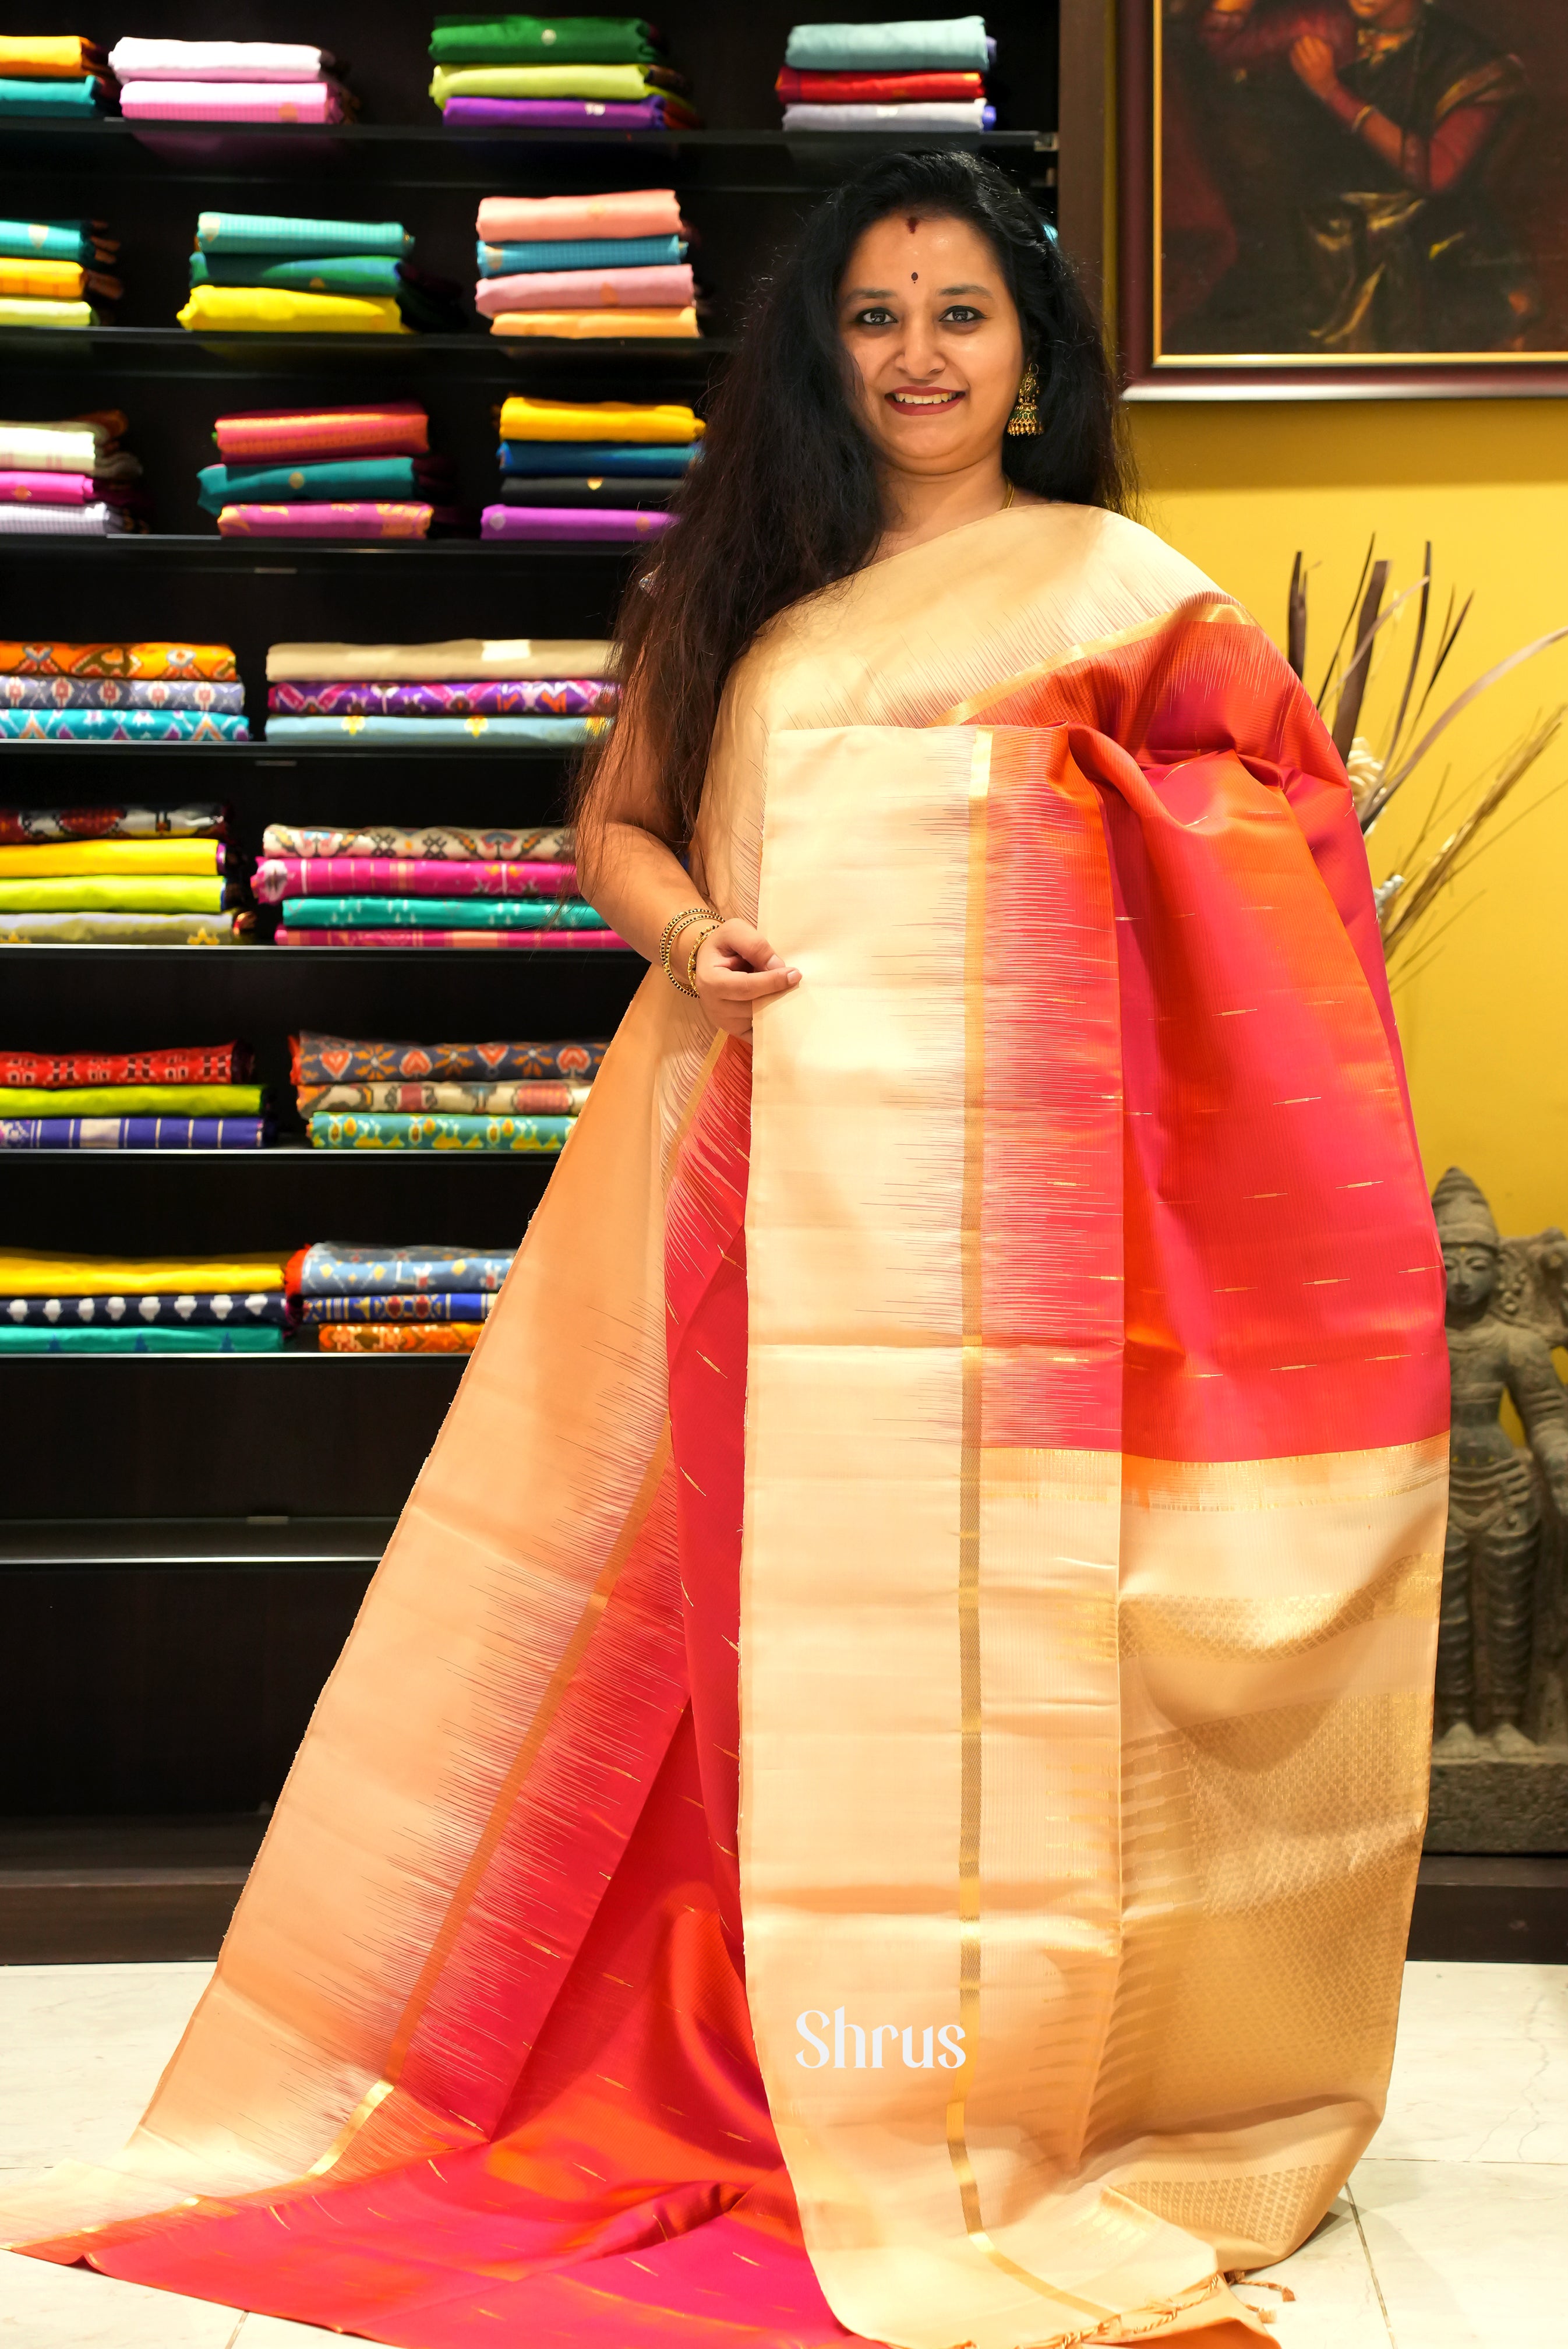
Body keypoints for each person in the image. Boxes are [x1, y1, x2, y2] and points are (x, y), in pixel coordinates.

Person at [0, 152, 1449, 2348]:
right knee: (732, 1636)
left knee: (995, 1655)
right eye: (874, 316)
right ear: (818, 352)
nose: (918, 357)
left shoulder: (1124, 596)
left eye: (959, 314)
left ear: (1033, 353)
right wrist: (694, 936)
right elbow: (621, 825)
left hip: (1017, 1267)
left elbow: (1273, 834)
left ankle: (981, 2068)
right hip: (754, 1187)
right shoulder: (746, 585)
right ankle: (742, 2048)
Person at [1189, 0, 1536, 352]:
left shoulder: (1468, 59)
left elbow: (1436, 172)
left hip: (1423, 243)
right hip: (1320, 239)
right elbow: (1219, 41)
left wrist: (1332, 92)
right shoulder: (1323, 24)